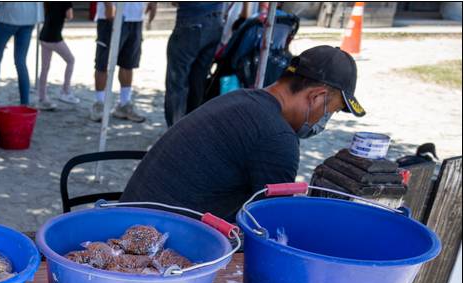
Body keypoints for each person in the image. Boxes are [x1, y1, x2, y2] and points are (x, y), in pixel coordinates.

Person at [121, 46, 366, 219]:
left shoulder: (242, 98)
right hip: (154, 242)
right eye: (329, 113)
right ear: (316, 97)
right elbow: (272, 223)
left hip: (131, 214)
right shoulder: (277, 138)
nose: (323, 122)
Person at [91, 2, 156, 123]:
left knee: (128, 63)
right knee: (103, 63)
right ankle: (99, 102)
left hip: (135, 16)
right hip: (111, 15)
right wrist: (108, 5)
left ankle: (124, 103)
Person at [163, 2, 225, 126]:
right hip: (215, 20)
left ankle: (176, 130)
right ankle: (191, 127)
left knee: (178, 82)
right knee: (198, 80)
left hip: (191, 20)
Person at [0, 2, 40, 114]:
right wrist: (37, 18)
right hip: (28, 19)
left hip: (7, 17)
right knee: (21, 62)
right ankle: (25, 103)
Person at [36, 2, 77, 110]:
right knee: (71, 60)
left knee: (44, 68)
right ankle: (65, 91)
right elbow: (70, 16)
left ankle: (42, 97)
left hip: (44, 35)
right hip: (54, 38)